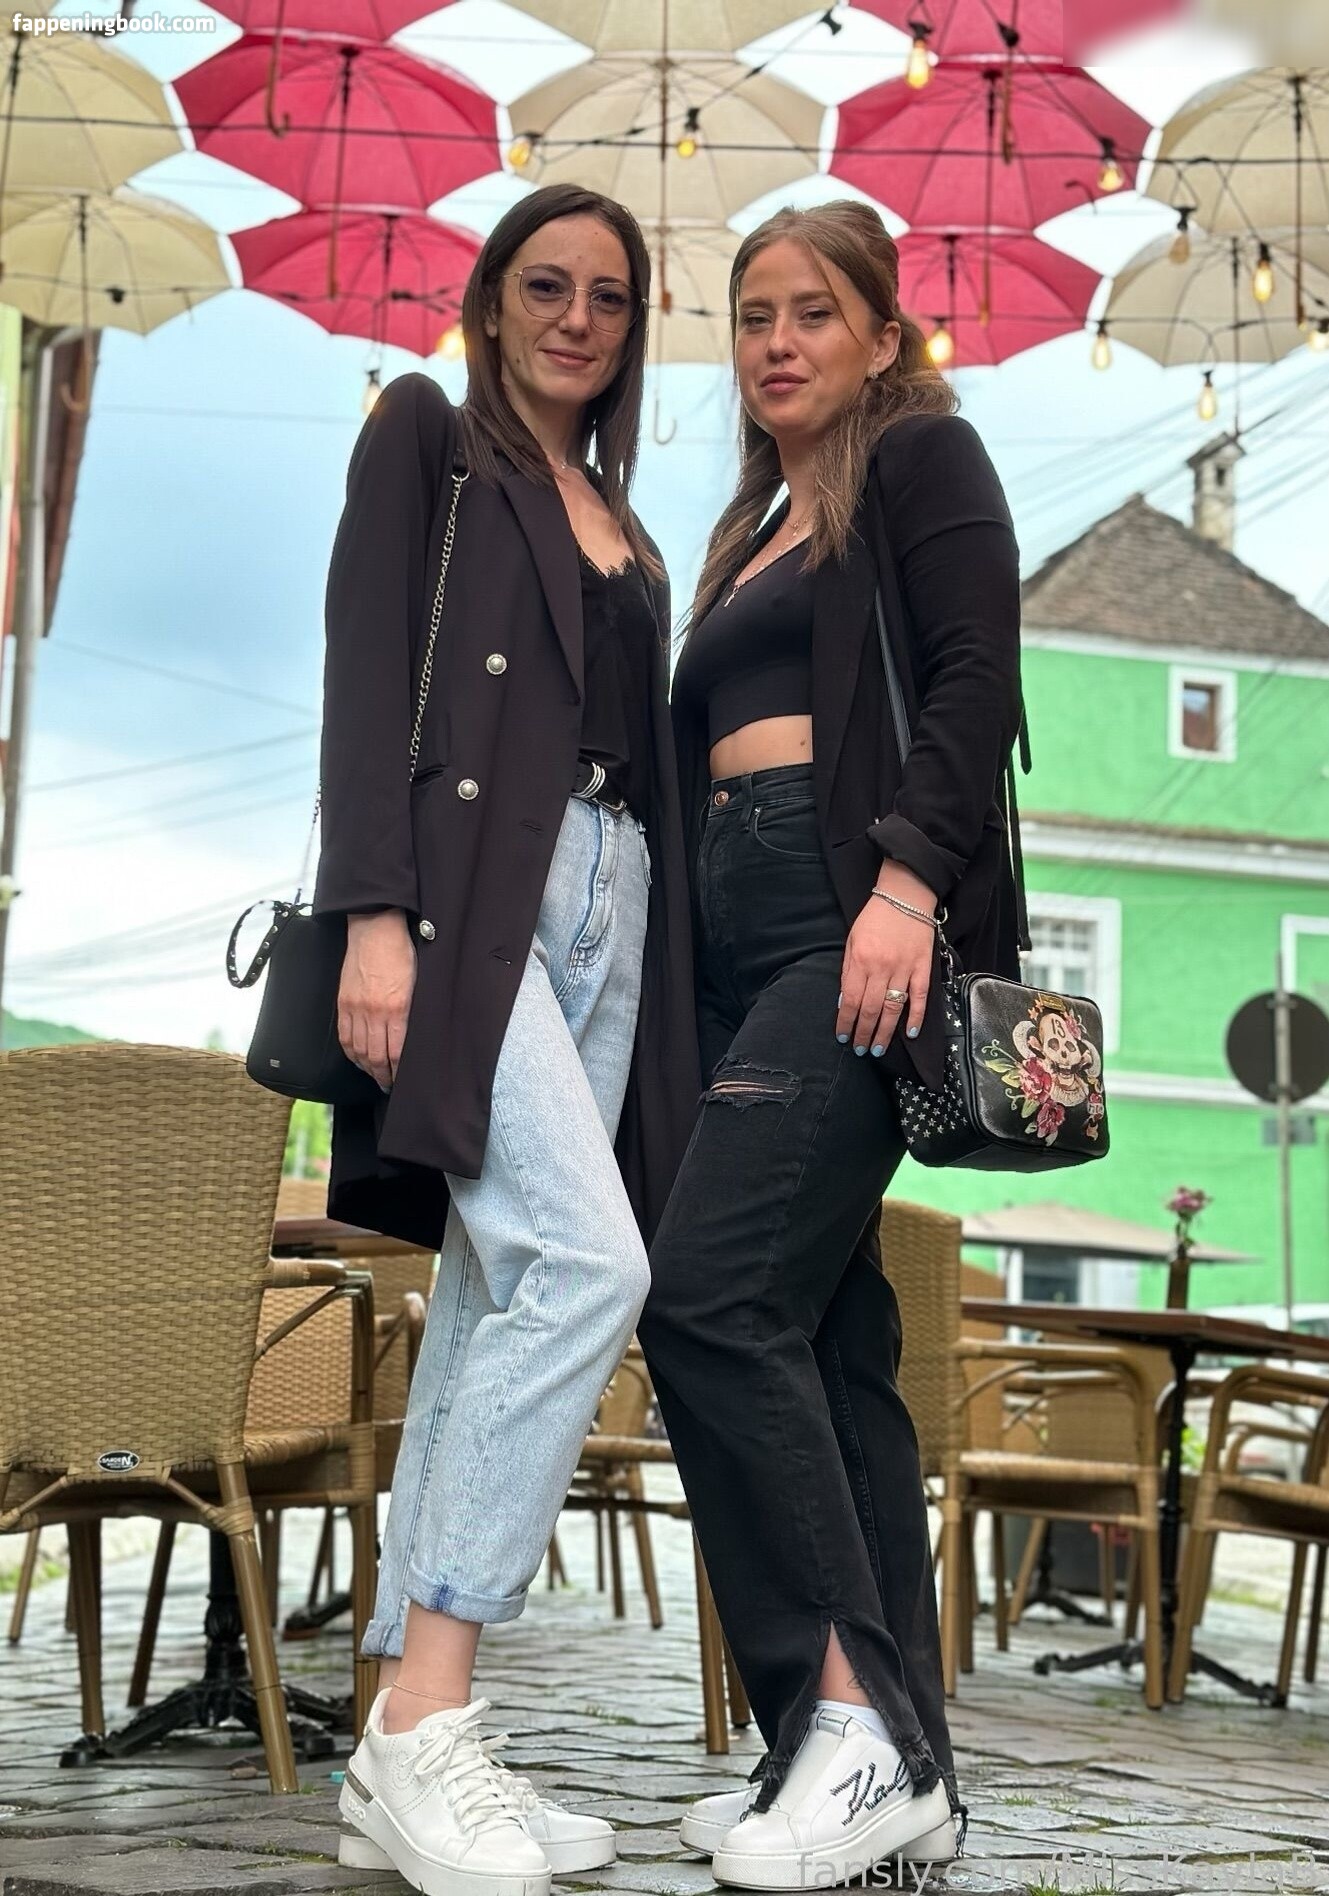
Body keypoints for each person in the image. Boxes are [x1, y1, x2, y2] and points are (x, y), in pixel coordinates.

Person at [313, 183, 699, 1896]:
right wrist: (371, 912)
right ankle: (427, 1718)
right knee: (587, 1268)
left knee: (495, 1290)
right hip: (479, 891)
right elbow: (361, 676)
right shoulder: (427, 436)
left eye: (608, 297)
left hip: (617, 892)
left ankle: (400, 1730)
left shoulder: (626, 521)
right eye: (546, 285)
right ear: (490, 300)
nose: (576, 318)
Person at [637, 200, 1024, 1890]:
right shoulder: (750, 525)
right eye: (751, 315)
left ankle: (845, 1719)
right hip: (738, 947)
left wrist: (903, 887)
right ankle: (874, 1756)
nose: (776, 341)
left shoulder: (922, 459)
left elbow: (973, 676)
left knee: (707, 1296)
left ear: (880, 333)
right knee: (824, 1334)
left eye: (811, 311)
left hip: (846, 917)